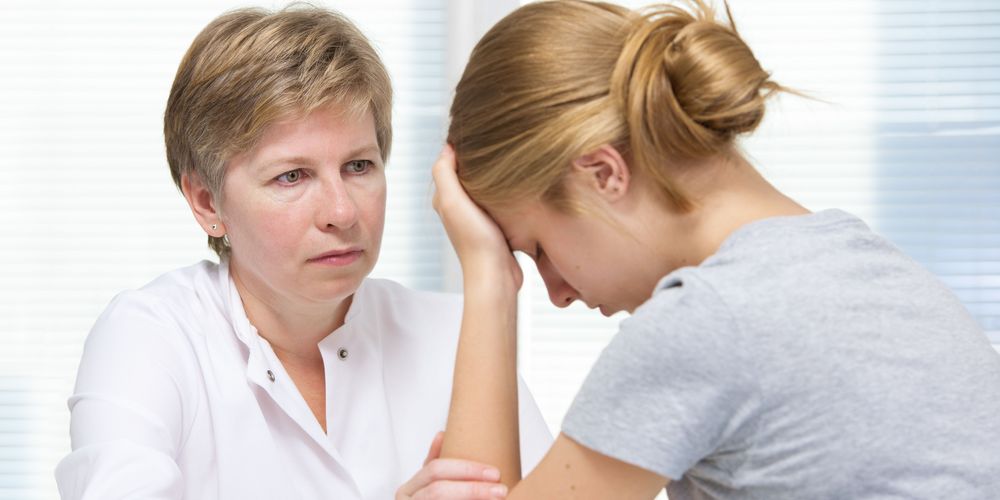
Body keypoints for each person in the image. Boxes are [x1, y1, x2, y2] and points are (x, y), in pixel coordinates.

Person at [430, 0, 1000, 498]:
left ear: (603, 173)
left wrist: (488, 281)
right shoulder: (874, 271)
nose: (556, 293)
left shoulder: (705, 321)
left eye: (536, 248)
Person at [54, 5, 551, 499]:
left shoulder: (453, 333)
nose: (341, 211)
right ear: (207, 201)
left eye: (359, 166)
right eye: (291, 176)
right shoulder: (150, 336)